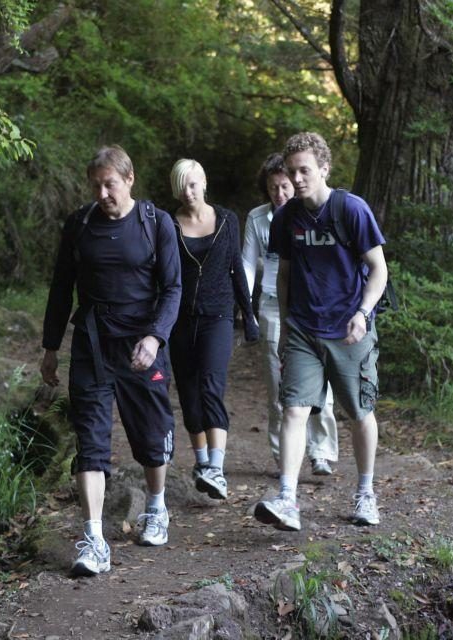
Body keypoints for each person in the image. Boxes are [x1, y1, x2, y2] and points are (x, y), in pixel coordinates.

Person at [41, 145, 182, 577]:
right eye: (97, 185)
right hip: (93, 344)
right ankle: (94, 538)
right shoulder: (80, 225)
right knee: (91, 440)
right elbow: (62, 287)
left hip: (142, 346)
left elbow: (173, 288)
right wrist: (50, 348)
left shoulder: (156, 224)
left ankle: (156, 507)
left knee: (151, 435)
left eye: (111, 184)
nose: (103, 193)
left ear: (130, 179)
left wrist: (155, 338)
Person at [255, 132, 388, 531]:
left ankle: (366, 493)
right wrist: (281, 325)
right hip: (302, 329)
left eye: (304, 171)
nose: (297, 179)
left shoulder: (351, 210)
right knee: (293, 410)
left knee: (358, 412)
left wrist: (363, 313)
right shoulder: (285, 218)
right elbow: (285, 275)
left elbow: (379, 269)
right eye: (292, 171)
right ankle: (288, 498)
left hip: (350, 329)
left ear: (324, 169)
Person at [242, 153, 339, 476]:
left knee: (320, 387)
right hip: (272, 304)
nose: (280, 194)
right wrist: (247, 309)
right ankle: (284, 457)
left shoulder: (313, 213)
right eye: (273, 188)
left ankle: (320, 451)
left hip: (312, 307)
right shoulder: (257, 219)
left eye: (284, 186)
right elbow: (247, 264)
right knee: (279, 388)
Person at [167, 159, 258, 501]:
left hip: (218, 316)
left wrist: (247, 316)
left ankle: (216, 468)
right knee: (189, 394)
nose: (188, 193)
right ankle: (202, 462)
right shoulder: (168, 224)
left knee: (211, 386)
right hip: (180, 320)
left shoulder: (227, 220)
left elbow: (236, 267)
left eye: (192, 184)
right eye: (181, 186)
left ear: (204, 183)